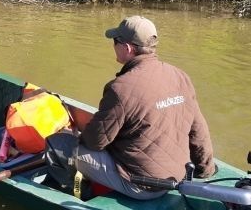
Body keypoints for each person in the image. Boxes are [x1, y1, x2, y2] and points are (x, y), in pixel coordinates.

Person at [66, 15, 215, 200]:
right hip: (178, 177)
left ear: (127, 48)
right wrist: (205, 170)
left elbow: (95, 142)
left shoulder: (120, 88)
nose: (113, 46)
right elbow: (199, 131)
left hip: (143, 186)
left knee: (67, 148)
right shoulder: (180, 76)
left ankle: (77, 195)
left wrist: (76, 137)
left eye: (115, 41)